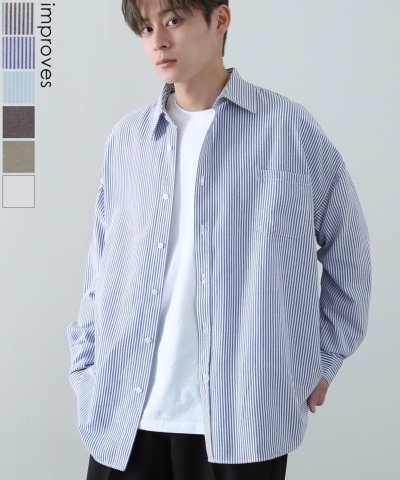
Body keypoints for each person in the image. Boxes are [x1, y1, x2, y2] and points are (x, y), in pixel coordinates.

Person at [67, 1, 371, 479]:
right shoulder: (127, 140)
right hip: (123, 413)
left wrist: (324, 357)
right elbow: (100, 266)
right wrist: (85, 364)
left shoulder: (288, 130)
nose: (158, 41)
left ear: (221, 20)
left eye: (173, 20)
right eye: (145, 28)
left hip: (245, 417)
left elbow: (349, 252)